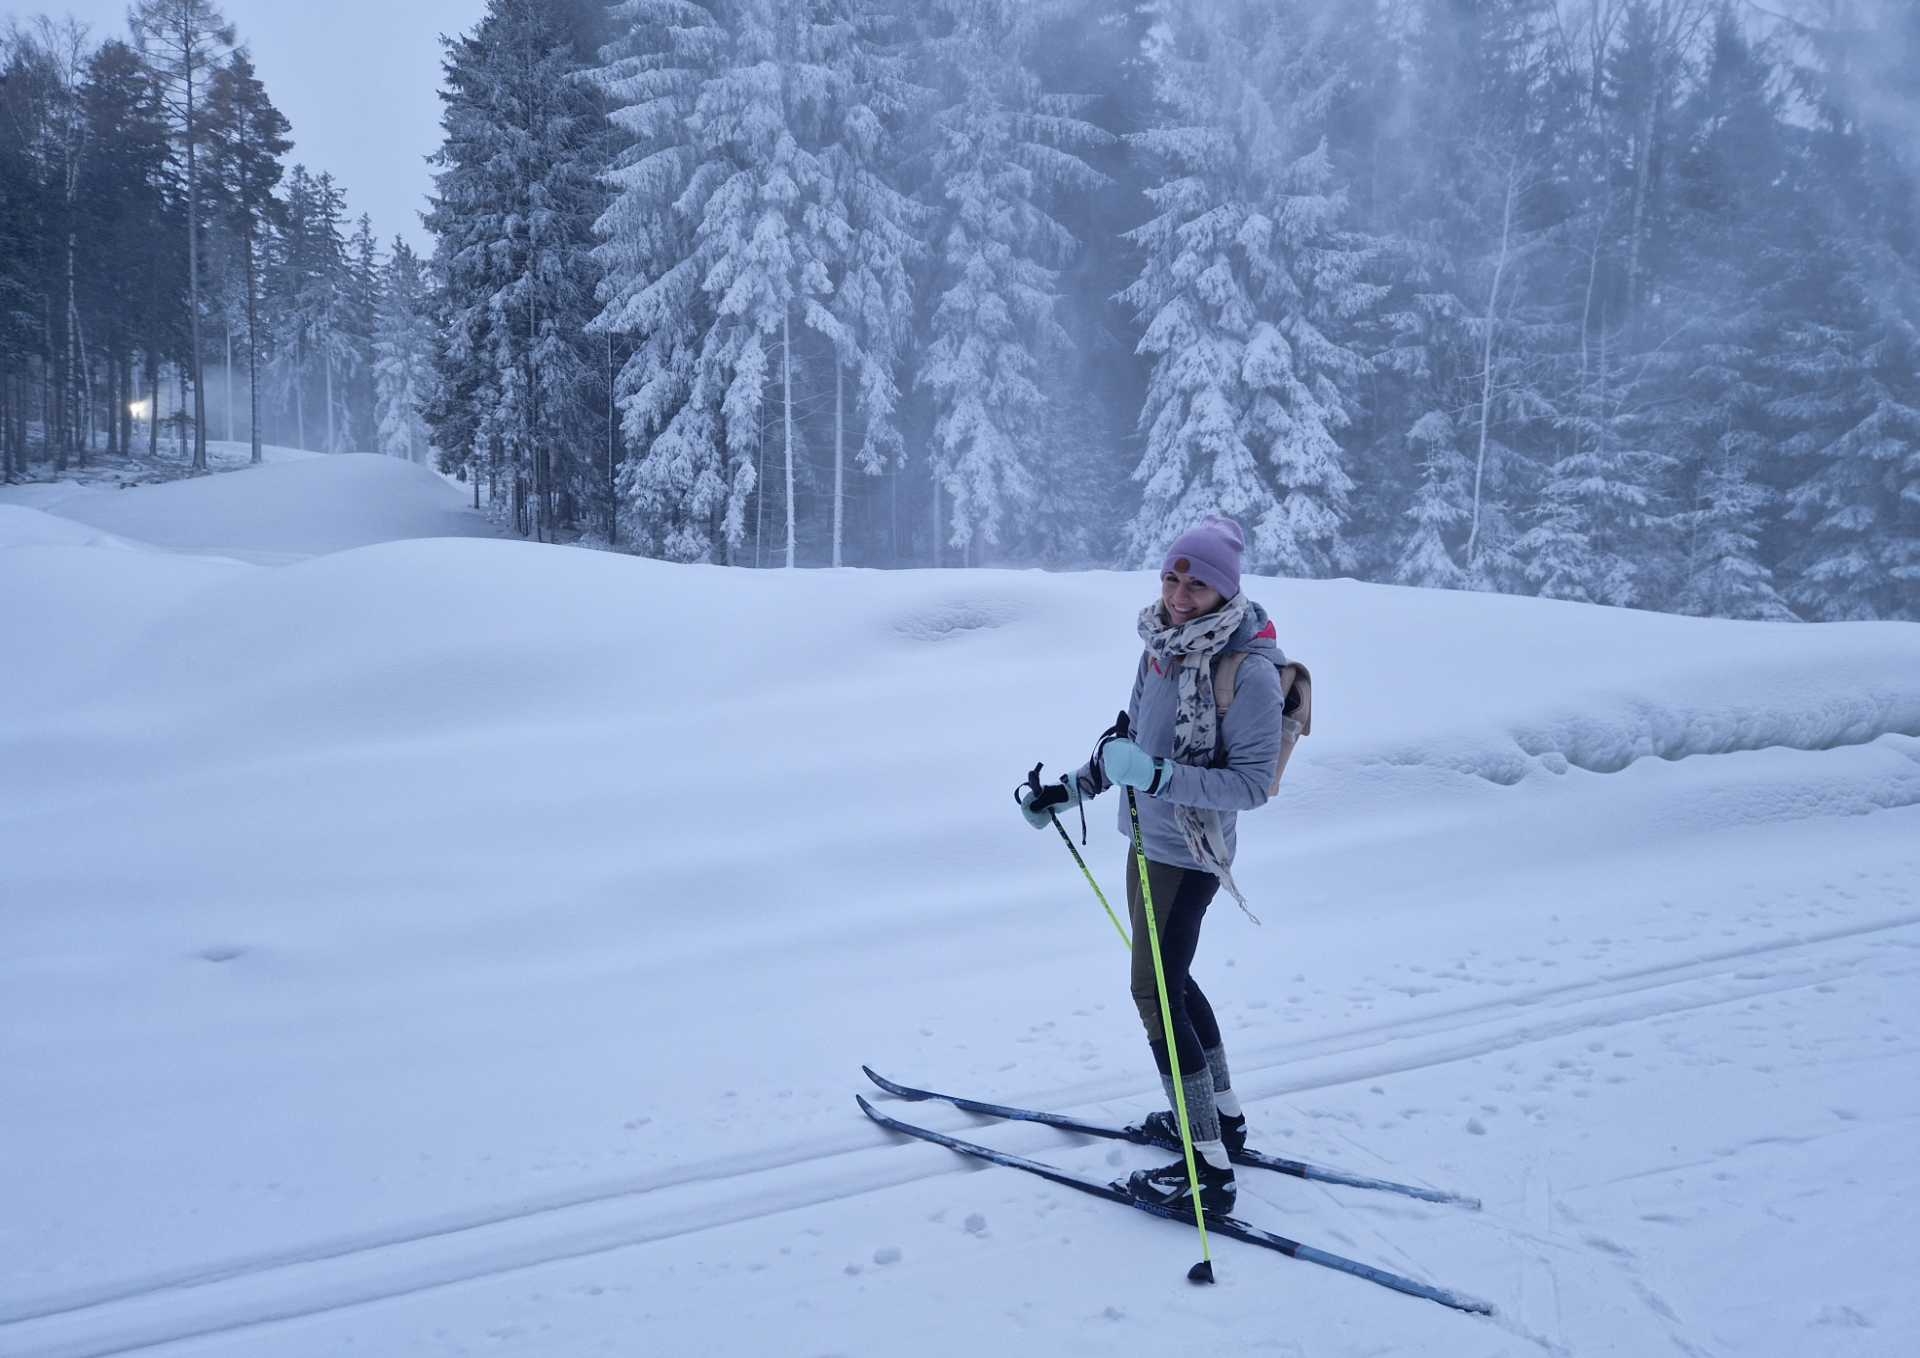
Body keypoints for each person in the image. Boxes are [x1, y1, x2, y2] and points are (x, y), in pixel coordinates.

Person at [1016, 515, 1285, 1215]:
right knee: (1173, 982)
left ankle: (1207, 1170)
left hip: (1190, 857)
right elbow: (1127, 747)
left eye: (1197, 583)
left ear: (1225, 591)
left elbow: (1251, 786)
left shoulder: (1247, 671)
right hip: (1145, 843)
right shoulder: (1160, 651)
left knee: (1155, 994)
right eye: (1172, 576)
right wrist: (1068, 790)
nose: (1179, 593)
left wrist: (1160, 777)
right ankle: (1220, 1121)